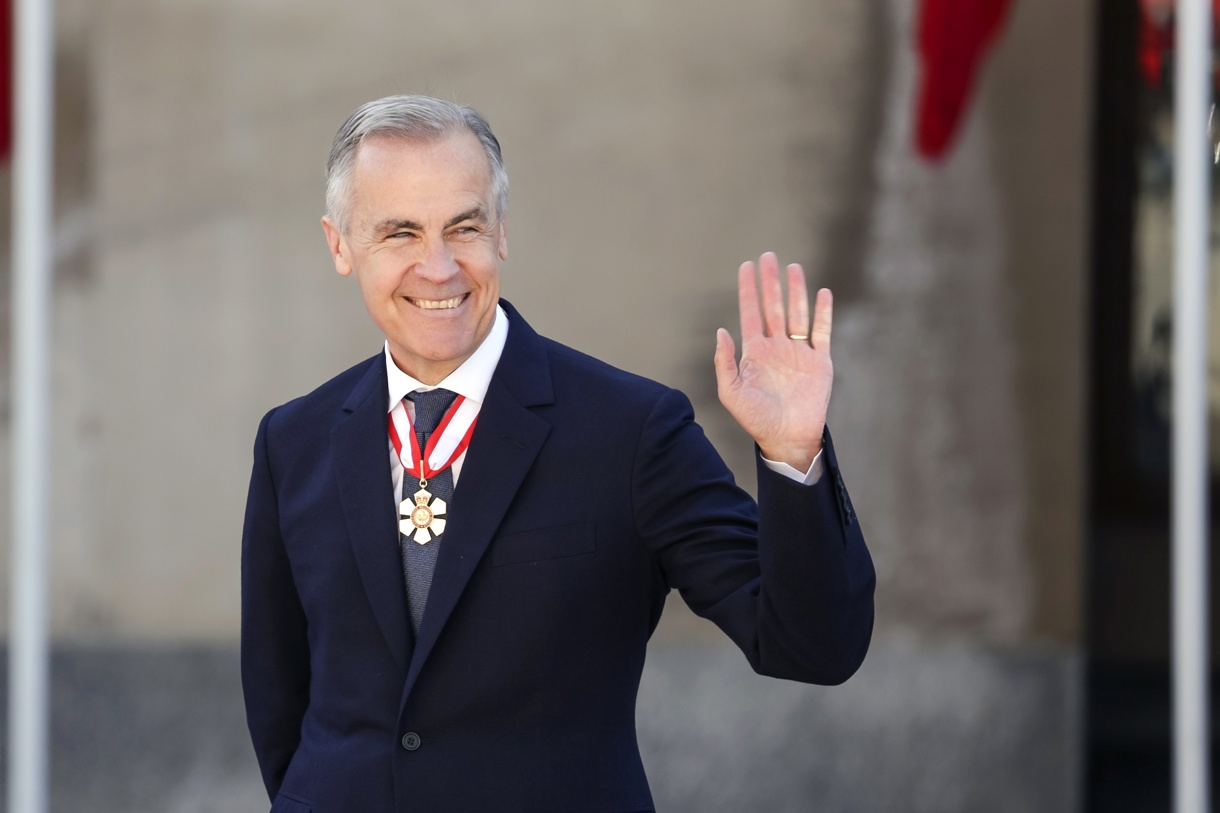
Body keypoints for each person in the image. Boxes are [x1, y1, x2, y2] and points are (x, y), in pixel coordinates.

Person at [241, 95, 875, 813]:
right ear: (340, 245)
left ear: (502, 231)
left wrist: (793, 454)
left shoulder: (632, 431)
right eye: (400, 233)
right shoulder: (293, 442)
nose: (439, 267)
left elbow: (812, 646)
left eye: (465, 227)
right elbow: (279, 701)